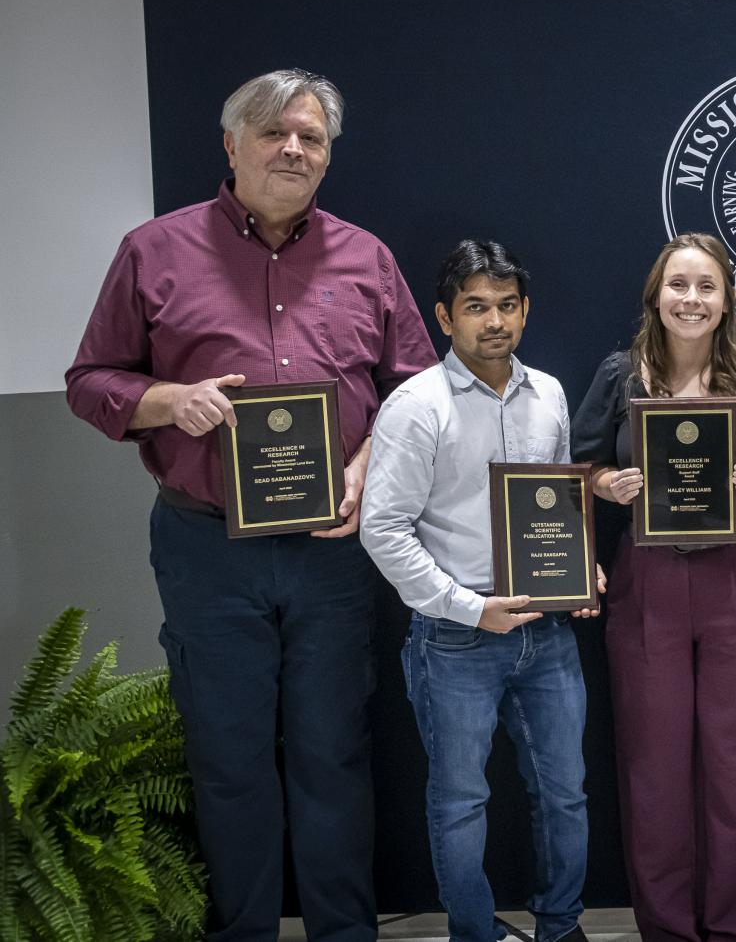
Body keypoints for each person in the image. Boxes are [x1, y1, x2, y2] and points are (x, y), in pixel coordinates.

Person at [64, 69, 436, 941]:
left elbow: (418, 393)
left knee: (334, 754)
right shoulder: (152, 250)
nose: (294, 149)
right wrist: (167, 401)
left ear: (329, 153)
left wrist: (365, 469)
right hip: (207, 549)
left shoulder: (367, 256)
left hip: (333, 551)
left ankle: (344, 932)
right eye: (274, 134)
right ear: (231, 146)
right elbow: (91, 380)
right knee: (228, 759)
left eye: (311, 137)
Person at [361, 240, 601, 942]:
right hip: (456, 637)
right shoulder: (415, 406)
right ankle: (474, 933)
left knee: (565, 794)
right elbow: (382, 529)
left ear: (524, 312)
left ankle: (561, 926)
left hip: (547, 632)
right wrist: (470, 607)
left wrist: (582, 569)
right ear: (444, 316)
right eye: (475, 307)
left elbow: (558, 505)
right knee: (462, 799)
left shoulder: (550, 393)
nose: (493, 321)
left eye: (505, 305)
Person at [571, 233, 736, 942]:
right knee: (655, 770)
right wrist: (609, 483)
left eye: (706, 286)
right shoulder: (621, 376)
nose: (692, 300)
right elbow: (581, 467)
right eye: (679, 285)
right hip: (650, 578)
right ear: (656, 295)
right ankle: (668, 931)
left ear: (727, 296)